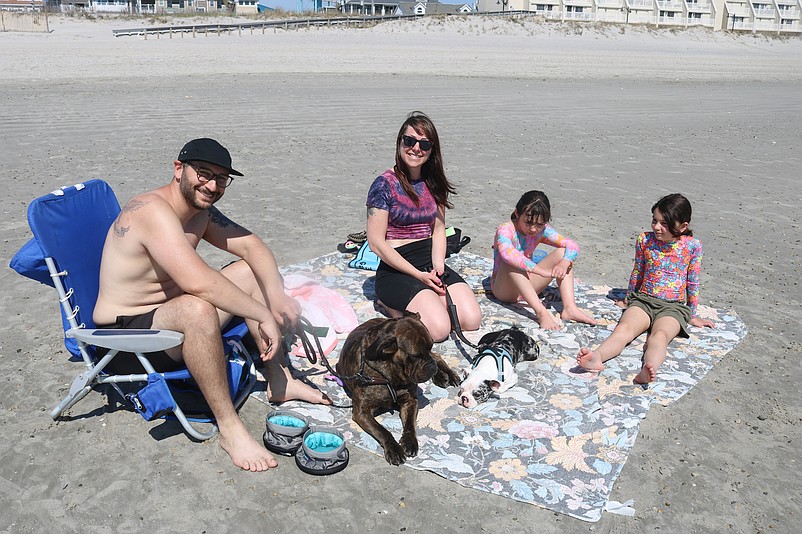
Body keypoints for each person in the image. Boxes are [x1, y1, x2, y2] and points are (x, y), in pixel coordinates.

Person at [93, 138, 331, 472]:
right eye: (203, 173)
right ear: (179, 170)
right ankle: (229, 428)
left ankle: (280, 380)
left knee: (250, 273)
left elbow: (253, 247)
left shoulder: (200, 212)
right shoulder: (151, 210)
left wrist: (276, 296)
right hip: (127, 336)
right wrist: (260, 312)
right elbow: (198, 282)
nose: (212, 185)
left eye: (221, 179)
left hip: (167, 317)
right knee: (197, 307)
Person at [365, 111, 481, 342]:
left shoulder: (433, 183)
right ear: (400, 143)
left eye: (424, 144)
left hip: (428, 262)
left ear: (431, 151)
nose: (416, 148)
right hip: (396, 267)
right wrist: (418, 275)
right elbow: (376, 243)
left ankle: (426, 297)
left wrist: (437, 268)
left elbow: (438, 230)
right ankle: (390, 306)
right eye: (409, 141)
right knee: (438, 331)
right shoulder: (384, 185)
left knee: (470, 320)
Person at [576, 193, 715, 384]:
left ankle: (649, 370)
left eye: (665, 224)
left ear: (683, 226)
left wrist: (692, 314)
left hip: (673, 307)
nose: (657, 227)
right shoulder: (645, 240)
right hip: (643, 300)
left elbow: (693, 281)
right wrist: (629, 298)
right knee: (623, 329)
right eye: (655, 221)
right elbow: (638, 271)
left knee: (659, 337)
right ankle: (597, 357)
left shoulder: (692, 246)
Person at [490, 190, 596, 330]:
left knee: (563, 253)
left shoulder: (542, 230)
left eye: (539, 224)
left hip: (528, 286)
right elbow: (508, 254)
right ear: (517, 213)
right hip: (505, 290)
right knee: (512, 261)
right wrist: (541, 271)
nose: (533, 229)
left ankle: (570, 308)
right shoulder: (506, 229)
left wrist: (564, 263)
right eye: (528, 222)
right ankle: (541, 312)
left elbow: (572, 245)